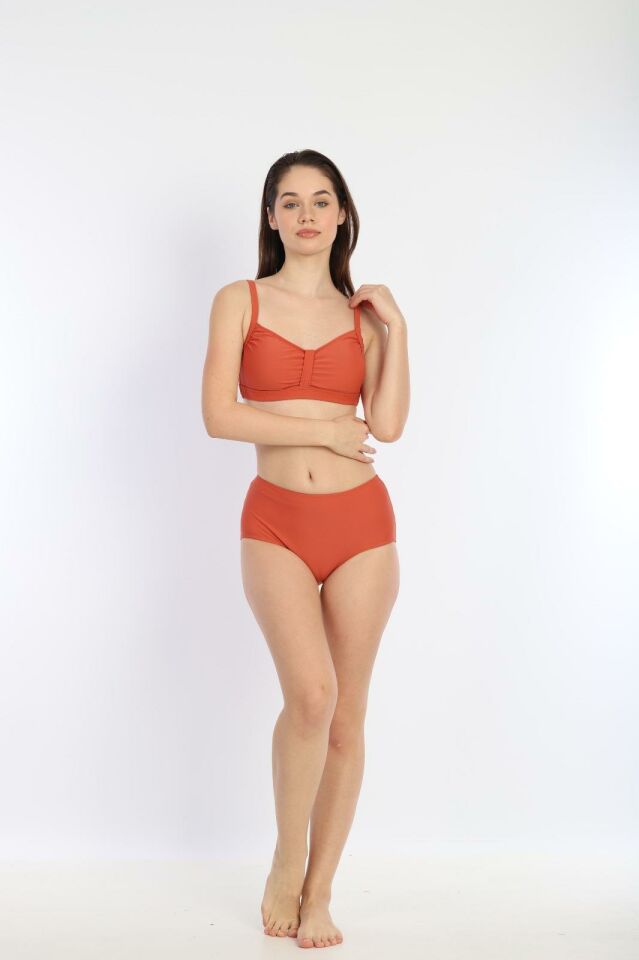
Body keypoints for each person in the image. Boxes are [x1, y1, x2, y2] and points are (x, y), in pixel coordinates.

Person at [201, 149, 410, 948]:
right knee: (310, 698)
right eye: (289, 202)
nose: (307, 214)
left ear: (342, 214)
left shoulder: (362, 317)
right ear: (271, 217)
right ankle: (286, 862)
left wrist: (396, 329)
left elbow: (387, 425)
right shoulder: (240, 299)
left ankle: (320, 891)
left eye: (321, 200)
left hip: (362, 529)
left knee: (346, 718)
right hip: (277, 522)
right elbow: (219, 415)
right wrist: (323, 430)